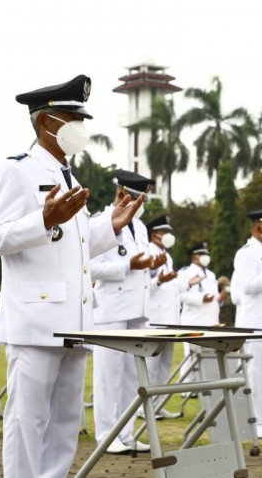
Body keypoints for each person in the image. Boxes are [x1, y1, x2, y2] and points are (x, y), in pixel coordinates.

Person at [0, 74, 143, 478]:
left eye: (82, 118)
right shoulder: (18, 170)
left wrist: (113, 226)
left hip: (74, 320)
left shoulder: (68, 175)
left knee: (65, 421)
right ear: (44, 123)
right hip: (36, 321)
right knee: (27, 420)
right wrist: (42, 219)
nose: (80, 127)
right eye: (70, 117)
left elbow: (77, 246)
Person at [91, 171, 163, 454]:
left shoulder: (141, 227)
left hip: (137, 308)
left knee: (133, 375)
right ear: (122, 195)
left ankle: (127, 432)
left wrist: (151, 264)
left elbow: (139, 261)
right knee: (109, 375)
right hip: (111, 310)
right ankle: (106, 436)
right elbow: (89, 267)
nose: (141, 204)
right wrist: (126, 267)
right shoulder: (101, 222)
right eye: (138, 198)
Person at [231, 206, 262, 440]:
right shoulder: (246, 253)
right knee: (256, 375)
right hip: (256, 322)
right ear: (260, 226)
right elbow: (248, 286)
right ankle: (256, 420)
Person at [143, 214, 182, 418]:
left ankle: (158, 405)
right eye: (164, 232)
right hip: (154, 319)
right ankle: (144, 407)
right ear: (154, 234)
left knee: (165, 366)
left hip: (169, 320)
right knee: (151, 366)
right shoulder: (148, 252)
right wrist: (159, 280)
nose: (167, 235)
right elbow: (144, 287)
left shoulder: (168, 255)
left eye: (168, 232)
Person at [178, 242, 224, 384]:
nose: (205, 257)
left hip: (211, 319)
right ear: (194, 256)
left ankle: (206, 383)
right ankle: (187, 387)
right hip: (193, 319)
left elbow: (214, 298)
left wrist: (220, 299)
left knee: (210, 354)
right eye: (201, 254)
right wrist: (200, 298)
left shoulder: (211, 274)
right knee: (191, 354)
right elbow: (179, 295)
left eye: (206, 254)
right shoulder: (185, 273)